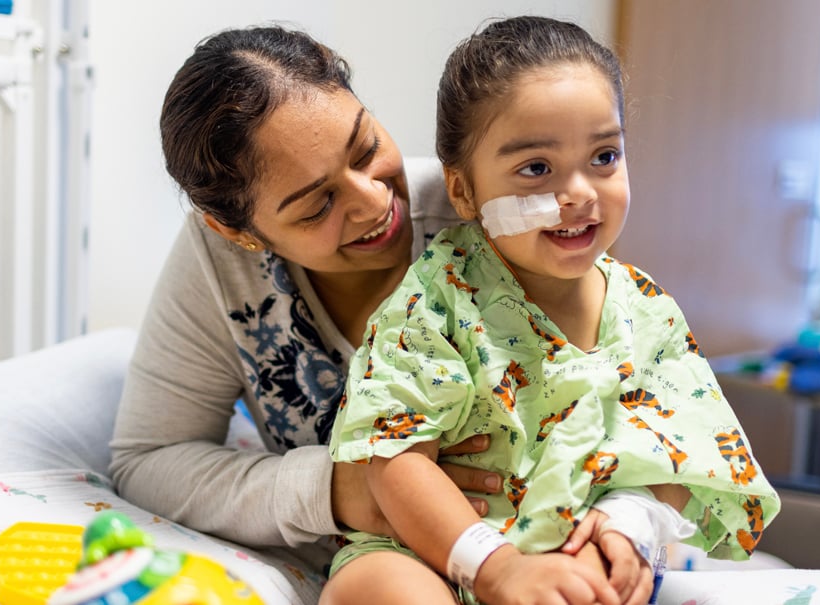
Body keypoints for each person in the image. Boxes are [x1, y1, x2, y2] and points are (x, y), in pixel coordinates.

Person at [323, 16, 781, 605]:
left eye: (604, 156)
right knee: (374, 588)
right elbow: (395, 461)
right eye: (537, 169)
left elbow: (682, 448)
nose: (581, 192)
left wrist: (628, 523)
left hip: (574, 550)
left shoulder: (647, 314)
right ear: (462, 192)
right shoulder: (436, 300)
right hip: (438, 553)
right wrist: (495, 569)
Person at [108, 25, 507, 602]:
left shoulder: (479, 214)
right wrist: (334, 489)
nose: (374, 200)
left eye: (367, 149)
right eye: (317, 205)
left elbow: (626, 367)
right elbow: (148, 460)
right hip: (384, 566)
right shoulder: (222, 263)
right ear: (236, 231)